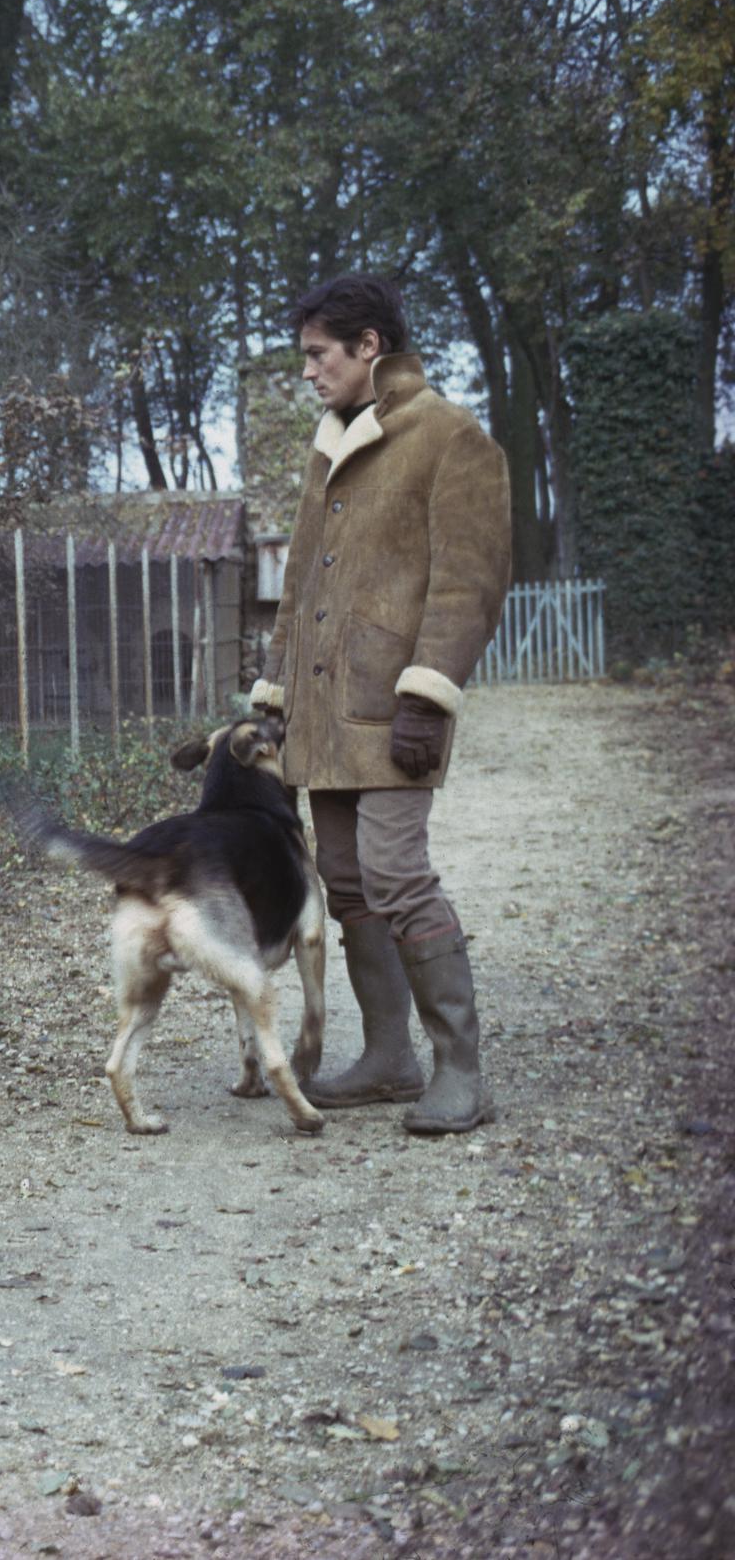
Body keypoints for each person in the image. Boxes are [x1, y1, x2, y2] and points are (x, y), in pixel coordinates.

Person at [252, 274, 511, 1135]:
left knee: (398, 874)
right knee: (350, 881)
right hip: (325, 715)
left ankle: (459, 1070)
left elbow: (469, 582)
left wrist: (429, 696)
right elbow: (299, 587)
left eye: (318, 355)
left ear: (370, 347)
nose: (308, 373)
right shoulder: (330, 445)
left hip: (394, 712)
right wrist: (276, 698)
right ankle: (388, 1057)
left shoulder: (448, 436)